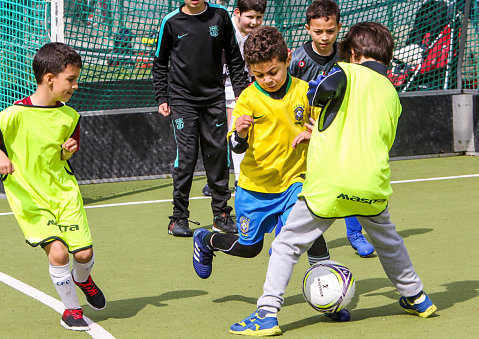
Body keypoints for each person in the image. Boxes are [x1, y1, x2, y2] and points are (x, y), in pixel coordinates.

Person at [229, 22, 437, 336]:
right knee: (389, 243)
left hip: (331, 184)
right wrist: (323, 130)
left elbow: (318, 92)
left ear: (353, 53)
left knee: (285, 245)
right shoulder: (393, 94)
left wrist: (316, 105)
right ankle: (416, 296)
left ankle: (266, 313)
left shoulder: (345, 72)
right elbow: (367, 132)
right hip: (372, 184)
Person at [192, 25, 350, 322]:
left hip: (295, 180)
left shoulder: (306, 92)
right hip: (255, 188)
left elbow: (324, 132)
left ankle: (330, 300)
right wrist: (239, 133)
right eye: (259, 75)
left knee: (310, 230)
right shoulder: (248, 100)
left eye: (273, 72)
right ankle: (206, 240)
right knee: (249, 248)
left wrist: (316, 135)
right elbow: (236, 148)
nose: (267, 80)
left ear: (287, 59)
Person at [0, 42, 106, 332]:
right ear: (50, 78)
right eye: (71, 80)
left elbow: (67, 150)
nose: (75, 86)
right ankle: (71, 310)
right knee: (58, 252)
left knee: (83, 254)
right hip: (29, 197)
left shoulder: (70, 116)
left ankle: (82, 278)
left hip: (63, 192)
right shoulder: (11, 115)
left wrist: (69, 150)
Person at [152, 0, 247, 236]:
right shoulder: (170, 22)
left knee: (216, 155)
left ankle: (221, 215)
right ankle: (179, 217)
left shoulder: (221, 16)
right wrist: (161, 97)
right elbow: (160, 63)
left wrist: (242, 97)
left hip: (214, 98)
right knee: (186, 158)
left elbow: (235, 58)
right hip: (183, 101)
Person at [288, 0, 374, 258]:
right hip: (302, 131)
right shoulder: (298, 59)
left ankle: (355, 234)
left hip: (337, 130)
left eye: (330, 31)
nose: (324, 37)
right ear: (307, 29)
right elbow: (289, 93)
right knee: (298, 183)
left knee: (347, 180)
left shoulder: (347, 56)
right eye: (317, 31)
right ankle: (288, 234)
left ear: (339, 27)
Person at [202, 0, 267, 197]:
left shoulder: (256, 37)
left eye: (258, 18)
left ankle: (240, 179)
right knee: (215, 137)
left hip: (238, 88)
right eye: (250, 17)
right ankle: (215, 180)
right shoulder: (222, 27)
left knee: (236, 131)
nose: (255, 22)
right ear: (238, 13)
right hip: (213, 87)